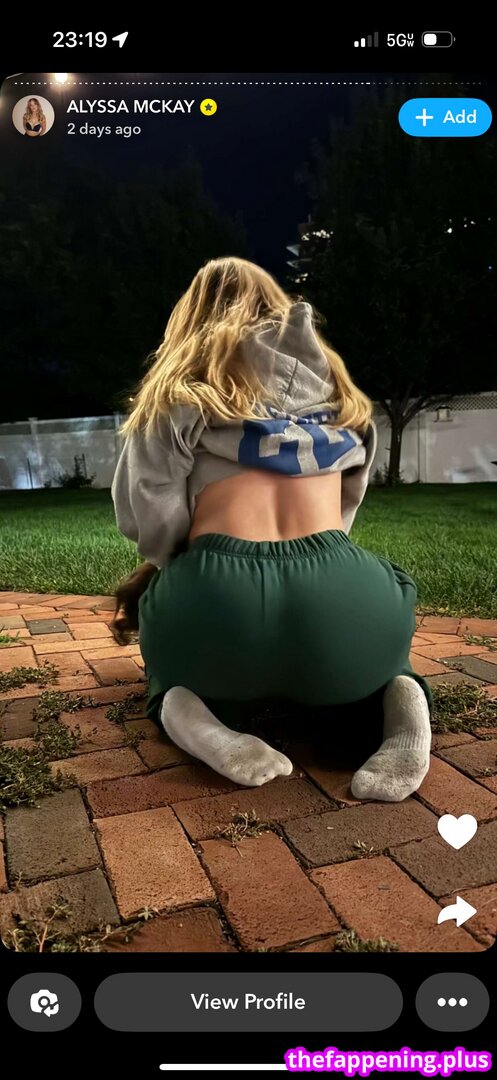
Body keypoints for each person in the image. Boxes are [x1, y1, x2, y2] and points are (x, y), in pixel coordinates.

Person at [111, 257, 432, 799]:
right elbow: (346, 508)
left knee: (167, 653)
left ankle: (188, 711)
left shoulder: (180, 396)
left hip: (218, 592)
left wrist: (185, 569)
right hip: (343, 588)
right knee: (384, 621)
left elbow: (145, 511)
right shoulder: (343, 400)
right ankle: (400, 701)